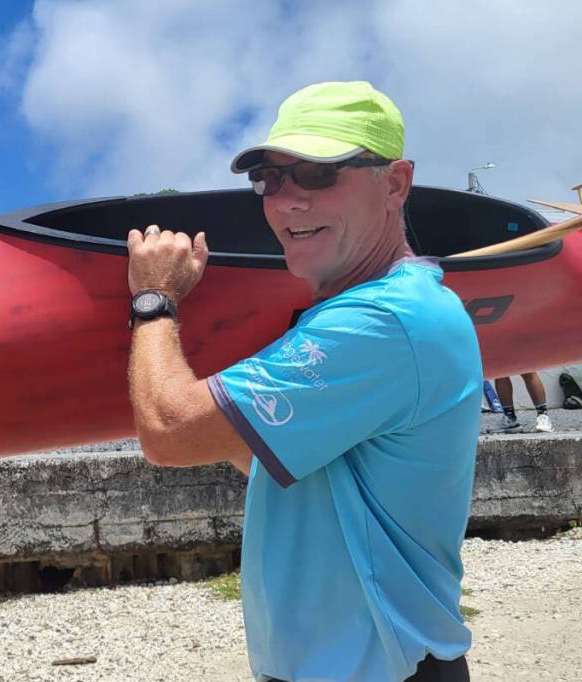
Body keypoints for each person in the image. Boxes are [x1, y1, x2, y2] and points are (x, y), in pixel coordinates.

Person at [127, 81, 479, 681]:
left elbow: (168, 431)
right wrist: (227, 399)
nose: (287, 201)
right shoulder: (389, 310)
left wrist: (153, 300)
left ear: (395, 183)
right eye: (270, 178)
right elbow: (285, 469)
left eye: (318, 174)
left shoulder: (383, 320)